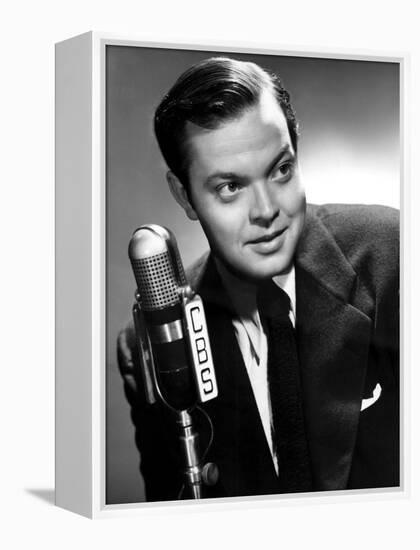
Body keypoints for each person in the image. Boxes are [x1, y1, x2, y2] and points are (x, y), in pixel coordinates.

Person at [117, 57, 399, 501]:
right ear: (183, 194)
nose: (267, 210)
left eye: (280, 169)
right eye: (230, 187)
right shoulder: (149, 343)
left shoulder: (397, 258)